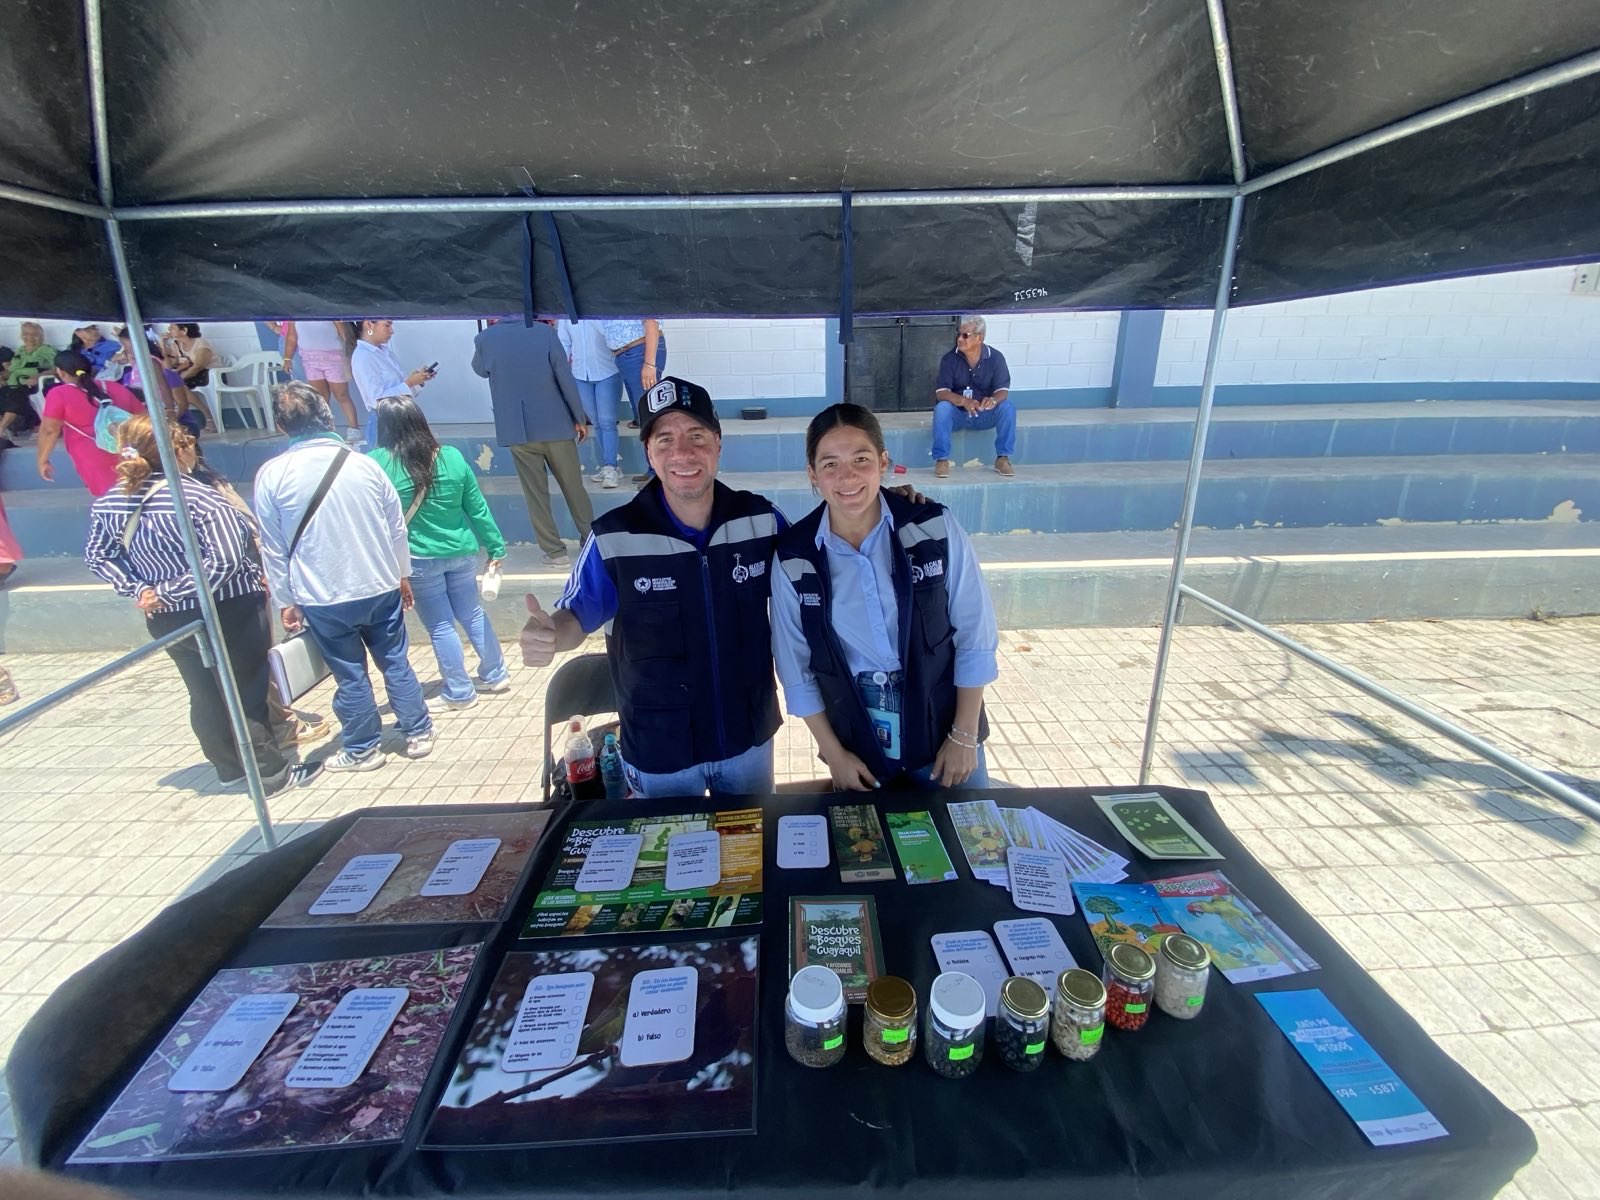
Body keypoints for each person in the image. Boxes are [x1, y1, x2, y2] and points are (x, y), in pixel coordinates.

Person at [520, 376, 784, 798]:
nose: (682, 453)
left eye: (696, 436)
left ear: (718, 443)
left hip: (747, 740)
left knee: (754, 840)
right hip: (660, 749)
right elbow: (575, 618)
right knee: (666, 843)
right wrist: (551, 635)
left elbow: (818, 563)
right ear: (649, 453)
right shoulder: (613, 538)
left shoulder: (761, 520)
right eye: (665, 440)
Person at [82, 416, 318, 795]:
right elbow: (225, 560)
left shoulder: (111, 502)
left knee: (203, 691)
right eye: (188, 444)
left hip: (166, 618)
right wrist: (169, 591)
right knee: (247, 691)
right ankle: (272, 774)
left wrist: (142, 590)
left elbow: (98, 556)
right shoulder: (196, 496)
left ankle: (228, 767)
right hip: (228, 610)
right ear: (177, 450)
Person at [774, 403, 999, 790]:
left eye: (860, 459)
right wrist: (834, 754)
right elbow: (795, 668)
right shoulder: (795, 556)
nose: (847, 476)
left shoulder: (932, 527)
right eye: (830, 464)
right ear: (813, 474)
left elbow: (974, 633)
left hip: (946, 740)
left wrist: (964, 735)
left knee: (967, 827)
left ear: (882, 462)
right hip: (859, 750)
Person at [254, 381, 434, 770]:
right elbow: (396, 529)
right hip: (379, 584)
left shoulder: (272, 475)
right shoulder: (365, 465)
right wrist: (402, 574)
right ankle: (418, 732)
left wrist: (285, 600)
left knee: (350, 674)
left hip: (323, 595)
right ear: (327, 416)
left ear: (282, 426)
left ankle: (363, 748)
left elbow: (273, 545)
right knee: (395, 661)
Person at [369, 394, 511, 708]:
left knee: (440, 624)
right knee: (472, 612)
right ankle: (496, 673)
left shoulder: (377, 463)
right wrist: (496, 547)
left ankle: (460, 692)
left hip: (418, 559)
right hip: (461, 551)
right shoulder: (451, 456)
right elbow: (477, 508)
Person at [471, 317, 593, 566]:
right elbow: (564, 376)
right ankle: (591, 540)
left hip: (518, 430)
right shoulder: (544, 332)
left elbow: (480, 370)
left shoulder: (484, 339)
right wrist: (579, 417)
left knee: (535, 495)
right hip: (556, 424)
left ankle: (555, 553)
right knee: (574, 488)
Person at [36, 350, 148, 496]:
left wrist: (43, 460)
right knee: (139, 495)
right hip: (128, 449)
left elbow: (50, 430)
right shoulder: (115, 387)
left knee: (109, 499)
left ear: (60, 372)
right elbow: (143, 417)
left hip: (91, 454)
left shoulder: (59, 394)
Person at [931, 314, 1016, 478]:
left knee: (1007, 407)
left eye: (965, 335)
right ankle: (941, 460)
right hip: (958, 414)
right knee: (942, 408)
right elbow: (941, 393)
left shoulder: (996, 358)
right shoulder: (949, 359)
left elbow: (1002, 390)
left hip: (984, 414)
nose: (959, 339)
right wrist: (964, 401)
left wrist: (993, 400)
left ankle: (1003, 458)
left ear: (979, 338)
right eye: (959, 334)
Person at [558, 318, 624, 488]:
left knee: (607, 422)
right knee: (597, 423)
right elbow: (564, 343)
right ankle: (610, 465)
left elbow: (611, 336)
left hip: (607, 372)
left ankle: (610, 467)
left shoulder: (601, 312)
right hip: (580, 374)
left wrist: (592, 317)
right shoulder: (566, 317)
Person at [350, 318, 433, 448]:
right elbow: (376, 400)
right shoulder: (363, 356)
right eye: (387, 326)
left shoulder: (385, 352)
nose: (391, 331)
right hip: (385, 423)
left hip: (403, 417)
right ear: (369, 324)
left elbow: (402, 387)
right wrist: (410, 383)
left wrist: (419, 381)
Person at [282, 319, 362, 440]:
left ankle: (354, 428)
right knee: (320, 398)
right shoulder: (296, 314)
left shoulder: (327, 311)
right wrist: (287, 358)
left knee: (342, 395)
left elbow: (343, 333)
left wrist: (352, 355)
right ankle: (326, 430)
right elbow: (292, 337)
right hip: (310, 360)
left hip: (334, 358)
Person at [0, 321, 58, 447]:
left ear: (41, 336)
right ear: (21, 336)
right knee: (5, 393)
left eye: (34, 334)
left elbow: (57, 368)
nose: (30, 337)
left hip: (34, 385)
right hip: (14, 384)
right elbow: (12, 370)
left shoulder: (46, 350)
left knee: (15, 396)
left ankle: (1, 429)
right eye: (26, 334)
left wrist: (39, 376)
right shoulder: (21, 350)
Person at [162, 322, 221, 430]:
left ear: (184, 330)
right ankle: (177, 419)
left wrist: (180, 378)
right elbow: (168, 367)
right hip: (190, 375)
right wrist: (163, 345)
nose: (169, 329)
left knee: (178, 385)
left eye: (172, 327)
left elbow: (198, 366)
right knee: (173, 385)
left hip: (209, 374)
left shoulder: (201, 344)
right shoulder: (176, 345)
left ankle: (208, 416)